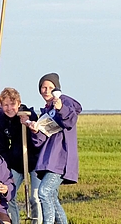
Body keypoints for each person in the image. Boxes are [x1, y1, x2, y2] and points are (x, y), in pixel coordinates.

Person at [27, 73, 82, 224]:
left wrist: (61, 108)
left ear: (57, 89)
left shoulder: (64, 102)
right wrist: (34, 130)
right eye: (43, 88)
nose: (46, 91)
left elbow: (71, 119)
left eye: (50, 88)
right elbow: (39, 142)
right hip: (49, 159)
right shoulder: (45, 112)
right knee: (51, 196)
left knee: (44, 192)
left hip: (62, 157)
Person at [0, 87, 42, 224]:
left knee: (35, 198)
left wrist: (28, 119)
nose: (9, 108)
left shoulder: (25, 113)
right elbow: (1, 146)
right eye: (5, 105)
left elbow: (33, 116)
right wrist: (6, 165)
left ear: (19, 103)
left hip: (35, 163)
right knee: (8, 195)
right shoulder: (2, 120)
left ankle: (36, 222)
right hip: (15, 163)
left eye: (12, 104)